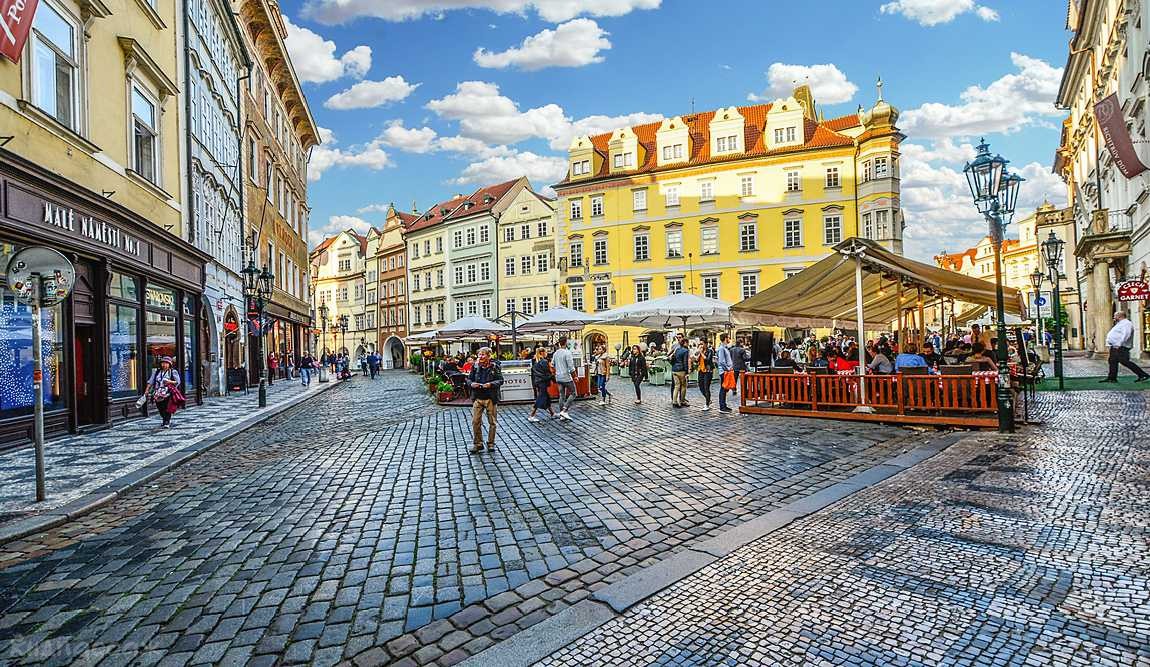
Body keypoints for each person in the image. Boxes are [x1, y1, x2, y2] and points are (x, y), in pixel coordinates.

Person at [467, 347, 503, 454]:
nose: (480, 357)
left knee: (492, 422)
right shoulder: (475, 366)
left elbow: (500, 380)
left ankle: (491, 443)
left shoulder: (494, 367)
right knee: (475, 422)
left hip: (490, 398)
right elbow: (469, 379)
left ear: (489, 356)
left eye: (483, 355)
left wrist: (491, 384)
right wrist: (471, 384)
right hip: (477, 397)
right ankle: (478, 444)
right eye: (479, 355)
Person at [1101, 311, 1150, 383]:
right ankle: (1112, 378)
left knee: (1125, 361)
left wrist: (1119, 344)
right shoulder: (1120, 323)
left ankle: (1142, 375)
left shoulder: (1127, 323)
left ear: (1120, 316)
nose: (1114, 317)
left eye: (1115, 316)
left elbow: (1126, 334)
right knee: (1112, 361)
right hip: (1115, 346)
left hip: (1121, 346)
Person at [145, 357, 184, 429]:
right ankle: (164, 419)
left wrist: (170, 382)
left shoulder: (173, 372)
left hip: (168, 392)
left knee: (167, 407)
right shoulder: (157, 372)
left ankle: (166, 422)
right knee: (160, 407)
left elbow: (177, 382)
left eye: (166, 363)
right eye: (163, 363)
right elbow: (150, 381)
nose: (164, 365)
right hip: (157, 392)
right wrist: (147, 390)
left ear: (170, 364)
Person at [553, 335, 577, 421]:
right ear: (566, 342)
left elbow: (552, 365)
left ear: (559, 343)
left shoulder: (556, 353)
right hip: (566, 377)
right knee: (574, 393)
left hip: (558, 377)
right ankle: (564, 410)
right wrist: (575, 376)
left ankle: (561, 415)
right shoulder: (567, 353)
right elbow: (571, 367)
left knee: (561, 395)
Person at [528, 347, 556, 422]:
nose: (546, 353)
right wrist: (554, 379)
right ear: (542, 353)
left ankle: (552, 413)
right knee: (540, 398)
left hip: (538, 382)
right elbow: (547, 373)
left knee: (546, 398)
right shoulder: (544, 361)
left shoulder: (535, 361)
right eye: (546, 352)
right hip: (543, 382)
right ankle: (532, 415)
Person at [693, 338, 715, 411]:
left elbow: (708, 360)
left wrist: (701, 353)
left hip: (708, 371)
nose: (701, 345)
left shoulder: (710, 351)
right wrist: (699, 354)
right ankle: (708, 399)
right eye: (700, 344)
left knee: (706, 387)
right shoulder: (700, 351)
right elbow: (696, 360)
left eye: (702, 344)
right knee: (700, 386)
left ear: (706, 344)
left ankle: (707, 404)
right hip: (701, 370)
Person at [670, 334, 690, 408]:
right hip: (681, 370)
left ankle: (674, 402)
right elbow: (685, 362)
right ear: (685, 343)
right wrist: (687, 372)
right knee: (684, 386)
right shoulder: (685, 351)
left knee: (676, 386)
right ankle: (682, 401)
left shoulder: (677, 349)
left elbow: (673, 358)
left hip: (674, 370)